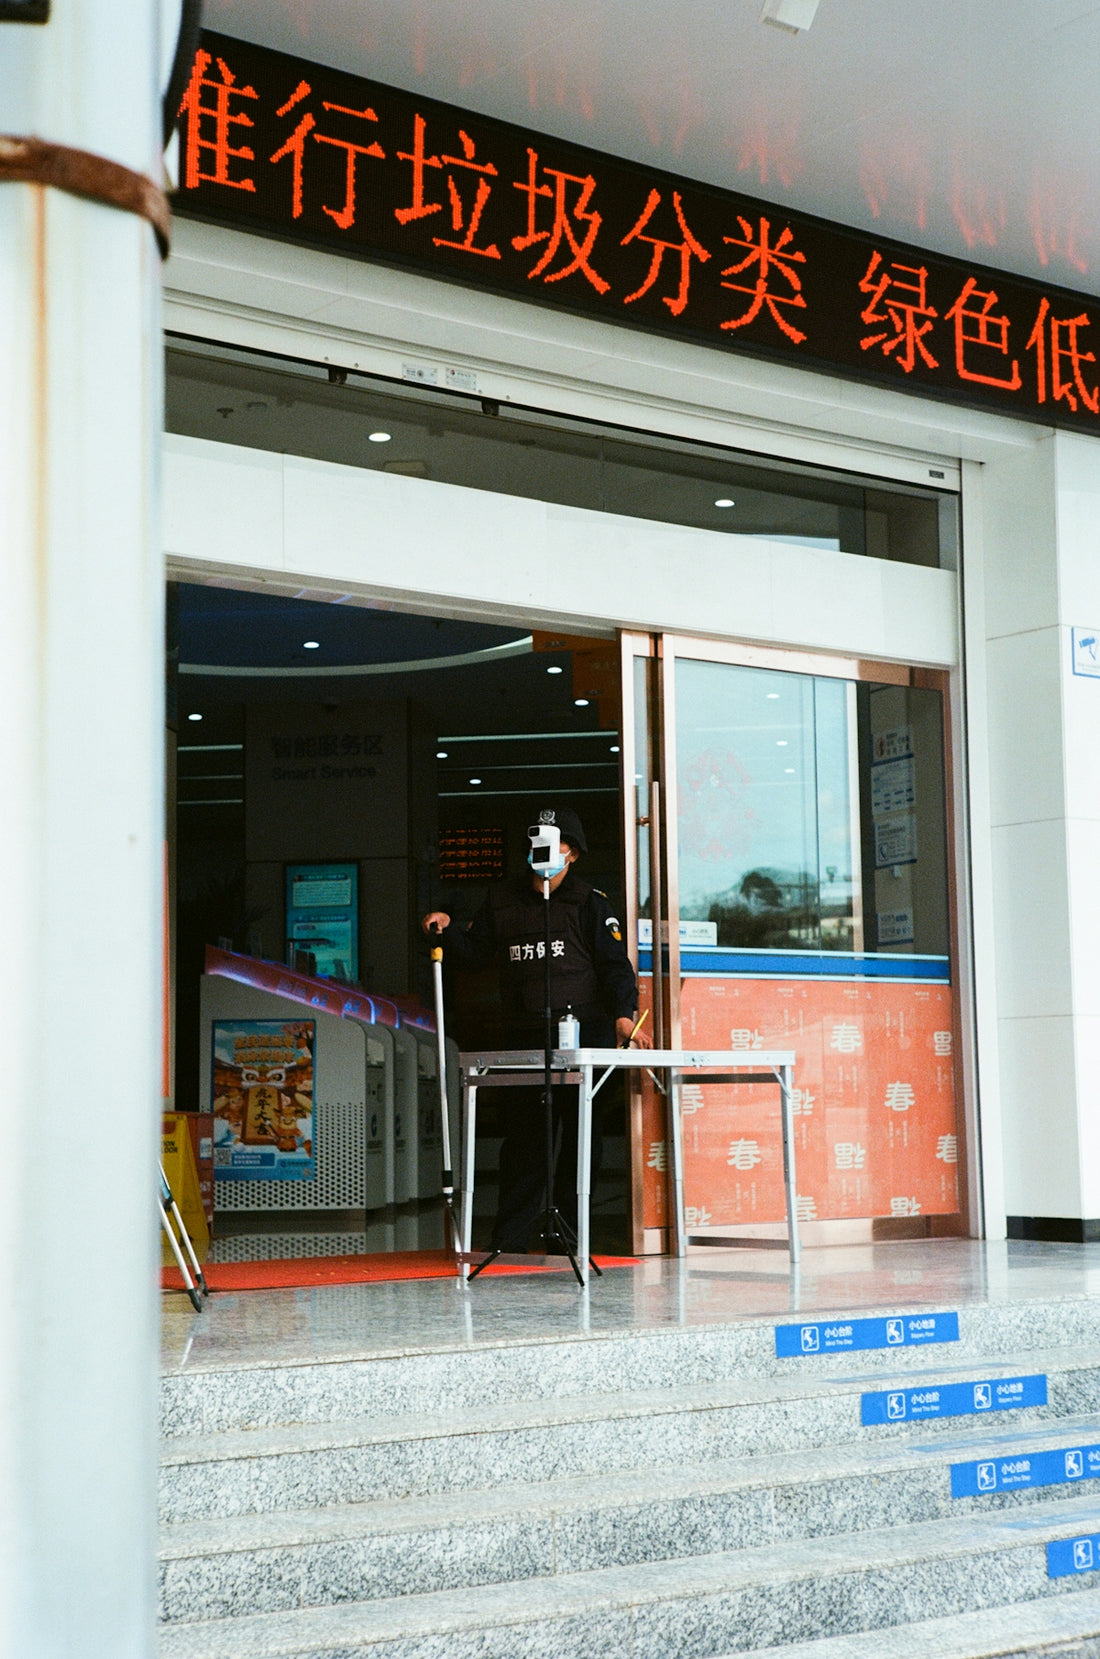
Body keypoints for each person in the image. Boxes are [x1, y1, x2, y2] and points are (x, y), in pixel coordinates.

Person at [421, 805, 650, 1253]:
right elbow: (474, 954)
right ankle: (511, 1241)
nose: (543, 849)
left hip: (583, 1037)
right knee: (525, 1143)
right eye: (537, 840)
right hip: (525, 1038)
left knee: (580, 1143)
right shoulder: (502, 900)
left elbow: (614, 966)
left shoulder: (589, 902)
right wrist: (444, 930)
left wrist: (624, 1015)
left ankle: (569, 1238)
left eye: (555, 842)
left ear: (572, 853)